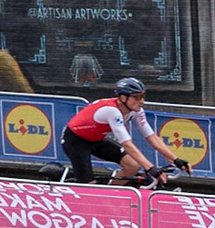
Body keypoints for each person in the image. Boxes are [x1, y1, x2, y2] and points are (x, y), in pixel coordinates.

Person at [62, 77, 190, 184]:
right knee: (88, 185)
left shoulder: (137, 111)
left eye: (142, 97)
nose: (142, 101)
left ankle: (111, 193)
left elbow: (151, 137)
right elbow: (127, 144)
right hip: (75, 141)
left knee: (133, 165)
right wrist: (150, 168)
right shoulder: (112, 111)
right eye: (137, 97)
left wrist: (175, 160)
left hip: (97, 139)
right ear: (123, 98)